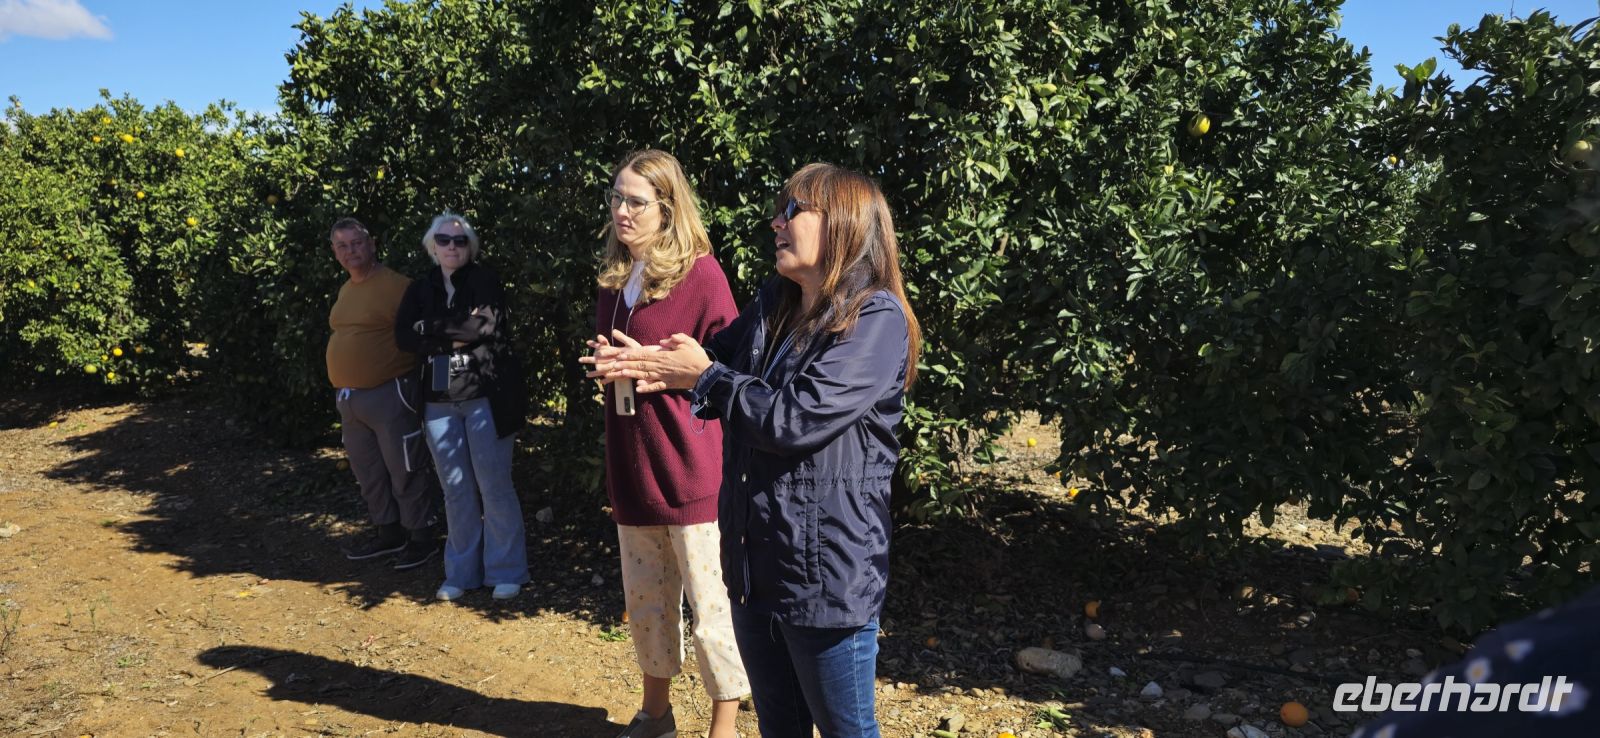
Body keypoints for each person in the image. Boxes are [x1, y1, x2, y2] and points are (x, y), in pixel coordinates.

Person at [590, 163, 922, 738]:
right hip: (756, 570)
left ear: (842, 222)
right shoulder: (778, 302)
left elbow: (793, 419)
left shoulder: (875, 319)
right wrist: (647, 363)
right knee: (779, 729)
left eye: (794, 211)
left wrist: (705, 377)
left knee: (848, 732)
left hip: (826, 579)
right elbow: (711, 353)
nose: (777, 222)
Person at [588, 150, 750, 738]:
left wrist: (662, 362)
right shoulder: (614, 280)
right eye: (616, 197)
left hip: (691, 470)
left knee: (712, 611)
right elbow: (630, 359)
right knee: (648, 606)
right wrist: (611, 363)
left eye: (637, 201)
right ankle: (656, 712)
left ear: (668, 208)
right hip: (632, 466)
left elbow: (731, 364)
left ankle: (723, 727)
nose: (622, 211)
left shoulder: (701, 276)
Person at [394, 212, 529, 601]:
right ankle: (461, 573)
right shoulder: (421, 288)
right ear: (431, 245)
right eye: (444, 240)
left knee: (494, 485)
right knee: (455, 489)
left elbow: (482, 328)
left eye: (460, 241)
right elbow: (404, 335)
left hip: (486, 397)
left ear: (470, 246)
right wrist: (447, 331)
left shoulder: (485, 281)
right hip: (438, 403)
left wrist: (429, 328)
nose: (452, 247)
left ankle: (507, 571)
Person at [324, 217, 439, 570]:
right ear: (334, 252)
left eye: (356, 243)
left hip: (390, 391)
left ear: (371, 243)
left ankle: (422, 536)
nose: (350, 251)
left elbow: (424, 331)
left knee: (404, 464)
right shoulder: (346, 289)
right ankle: (388, 532)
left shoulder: (396, 285)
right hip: (350, 398)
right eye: (342, 246)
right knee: (368, 470)